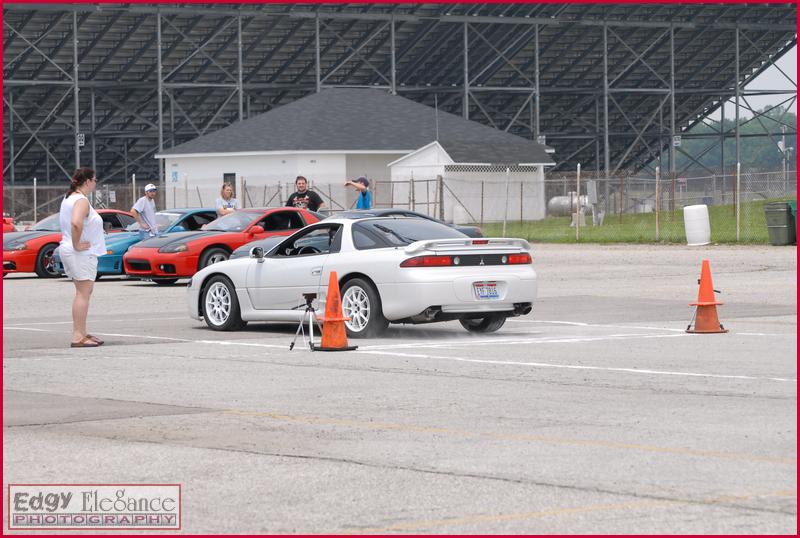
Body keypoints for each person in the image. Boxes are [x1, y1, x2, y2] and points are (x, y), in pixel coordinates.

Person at [59, 167, 106, 348]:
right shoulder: (81, 200)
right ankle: (78, 335)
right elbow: (76, 223)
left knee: (83, 293)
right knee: (82, 294)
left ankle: (82, 332)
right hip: (80, 253)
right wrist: (77, 244)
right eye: (94, 180)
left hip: (73, 250)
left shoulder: (69, 198)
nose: (95, 183)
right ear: (87, 181)